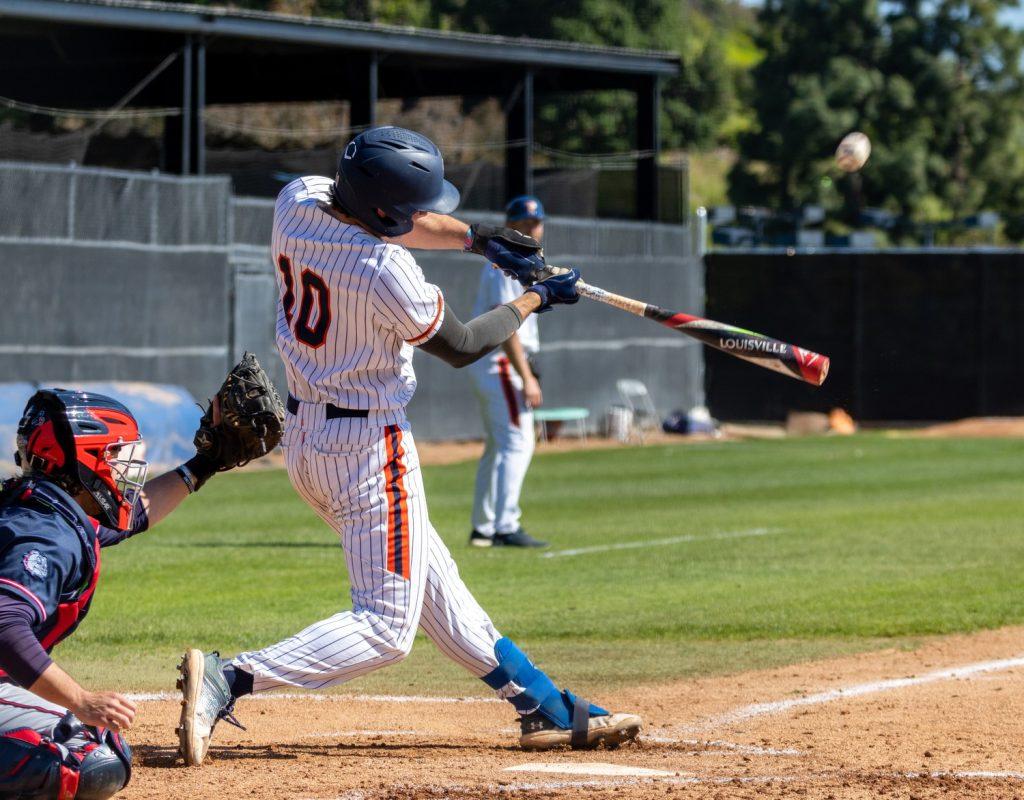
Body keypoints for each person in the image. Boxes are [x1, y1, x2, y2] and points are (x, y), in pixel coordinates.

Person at [177, 126, 641, 765]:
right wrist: (535, 296)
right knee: (387, 629)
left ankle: (541, 704)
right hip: (371, 447)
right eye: (410, 208)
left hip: (311, 439)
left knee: (431, 581)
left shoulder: (300, 198)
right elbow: (465, 345)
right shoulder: (383, 270)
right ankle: (233, 677)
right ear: (381, 211)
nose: (423, 217)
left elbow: (403, 221)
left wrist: (482, 242)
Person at [0, 387, 250, 799]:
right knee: (93, 758)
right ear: (86, 458)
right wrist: (80, 699)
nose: (123, 469)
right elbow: (6, 625)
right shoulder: (45, 535)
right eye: (115, 456)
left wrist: (207, 463)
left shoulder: (40, 509)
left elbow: (134, 516)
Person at [469, 195, 547, 548]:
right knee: (518, 442)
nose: (532, 228)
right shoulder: (505, 264)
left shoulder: (518, 262)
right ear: (510, 226)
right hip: (501, 363)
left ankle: (484, 528)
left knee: (498, 448)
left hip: (497, 363)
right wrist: (526, 377)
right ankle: (505, 525)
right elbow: (508, 326)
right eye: (524, 223)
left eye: (535, 222)